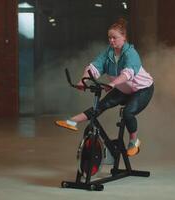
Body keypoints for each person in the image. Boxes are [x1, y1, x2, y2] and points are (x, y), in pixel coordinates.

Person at [55, 18, 154, 157]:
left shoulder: (131, 53)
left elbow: (128, 73)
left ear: (124, 37)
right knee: (101, 105)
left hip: (142, 89)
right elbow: (94, 67)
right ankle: (73, 121)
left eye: (115, 38)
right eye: (109, 38)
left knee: (128, 113)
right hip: (123, 89)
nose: (111, 41)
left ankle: (134, 141)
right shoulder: (108, 53)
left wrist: (113, 84)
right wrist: (83, 80)